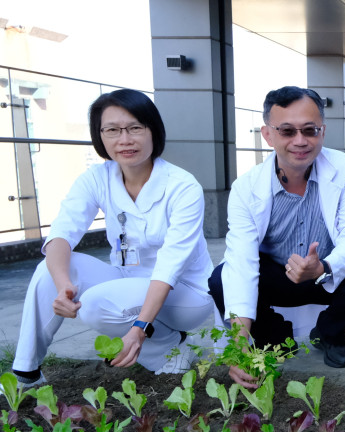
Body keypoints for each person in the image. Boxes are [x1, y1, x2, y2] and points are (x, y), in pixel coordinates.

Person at [12, 89, 215, 386]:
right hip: (125, 282)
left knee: (96, 305)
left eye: (135, 128)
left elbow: (170, 265)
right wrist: (63, 285)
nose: (125, 139)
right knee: (49, 270)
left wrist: (139, 327)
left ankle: (171, 348)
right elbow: (63, 233)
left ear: (153, 131)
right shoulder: (97, 177)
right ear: (100, 136)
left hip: (184, 294)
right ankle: (26, 372)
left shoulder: (183, 186)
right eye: (112, 130)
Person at [208, 86, 345, 388]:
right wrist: (239, 346)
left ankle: (329, 333)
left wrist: (323, 267)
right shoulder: (246, 187)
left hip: (325, 274)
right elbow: (241, 261)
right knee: (221, 278)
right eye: (287, 131)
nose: (300, 141)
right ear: (268, 134)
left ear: (323, 131)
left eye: (310, 130)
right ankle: (272, 337)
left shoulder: (344, 169)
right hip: (277, 276)